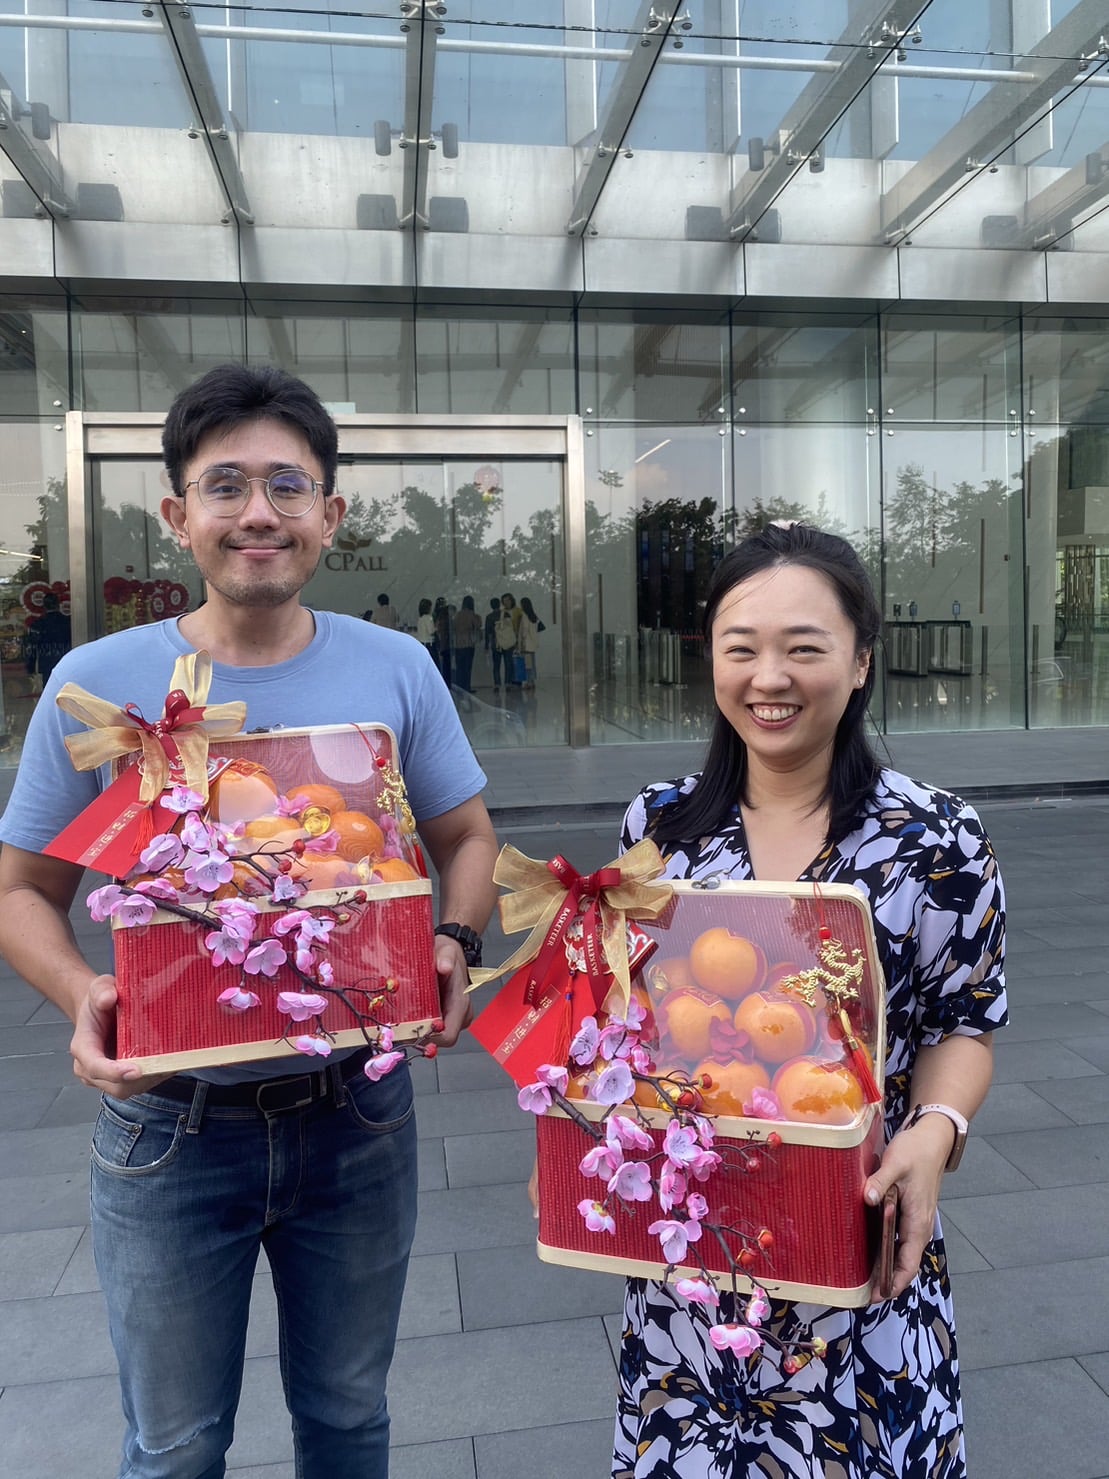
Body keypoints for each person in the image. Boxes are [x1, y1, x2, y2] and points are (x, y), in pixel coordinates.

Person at [0, 362, 499, 1479]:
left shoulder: (396, 669)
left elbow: (468, 839)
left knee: (347, 1421)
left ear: (331, 513)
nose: (258, 512)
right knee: (174, 1447)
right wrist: (83, 995)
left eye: (287, 484)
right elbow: (20, 890)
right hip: (168, 1131)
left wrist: (454, 944)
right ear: (179, 516)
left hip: (358, 1124)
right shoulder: (98, 682)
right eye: (226, 486)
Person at [611, 523, 1007, 1479]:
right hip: (695, 1255)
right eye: (740, 647)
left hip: (862, 1242)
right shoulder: (660, 826)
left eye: (804, 646)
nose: (768, 676)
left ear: (861, 658)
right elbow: (627, 1015)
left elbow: (967, 1018)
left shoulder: (933, 836)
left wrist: (935, 1129)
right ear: (709, 658)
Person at [24, 590, 72, 685]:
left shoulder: (38, 624)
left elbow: (32, 646)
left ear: (44, 607)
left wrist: (30, 666)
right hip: (65, 661)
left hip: (46, 662)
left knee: (49, 690)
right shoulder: (68, 622)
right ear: (58, 605)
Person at [452, 594, 481, 693]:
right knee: (468, 668)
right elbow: (477, 626)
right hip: (469, 644)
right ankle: (467, 687)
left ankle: (460, 688)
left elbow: (453, 627)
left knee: (460, 667)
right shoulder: (472, 614)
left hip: (458, 645)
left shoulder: (458, 615)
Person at [517, 596, 542, 689]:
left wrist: (521, 642)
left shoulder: (524, 615)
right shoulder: (534, 615)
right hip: (532, 644)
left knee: (528, 664)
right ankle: (532, 681)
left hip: (526, 644)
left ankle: (529, 682)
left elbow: (524, 629)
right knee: (532, 663)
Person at [497, 592, 522, 686]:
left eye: (508, 600)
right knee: (508, 661)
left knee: (515, 660)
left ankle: (517, 679)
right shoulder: (502, 612)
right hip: (506, 639)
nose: (506, 603)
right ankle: (509, 680)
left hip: (516, 638)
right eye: (504, 601)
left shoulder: (518, 611)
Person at [485, 596, 505, 688]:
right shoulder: (505, 614)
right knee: (508, 663)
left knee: (496, 664)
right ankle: (508, 682)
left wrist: (486, 645)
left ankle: (497, 683)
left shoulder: (489, 617)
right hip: (506, 641)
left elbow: (487, 632)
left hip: (495, 641)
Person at [433, 595, 453, 688]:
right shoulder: (445, 617)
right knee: (445, 663)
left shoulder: (435, 615)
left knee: (441, 663)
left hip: (439, 642)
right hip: (445, 643)